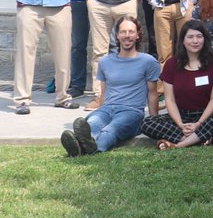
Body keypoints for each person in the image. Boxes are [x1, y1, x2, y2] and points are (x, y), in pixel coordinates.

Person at [59, 16, 159, 157]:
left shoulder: (148, 61)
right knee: (92, 124)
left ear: (138, 35)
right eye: (123, 32)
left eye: (131, 32)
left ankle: (87, 150)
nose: (127, 36)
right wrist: (101, 110)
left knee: (110, 130)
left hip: (132, 112)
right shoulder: (105, 61)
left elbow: (152, 93)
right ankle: (82, 146)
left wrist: (154, 121)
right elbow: (104, 91)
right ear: (117, 35)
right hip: (107, 109)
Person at [139, 20, 213, 149]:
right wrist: (181, 125)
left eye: (199, 36)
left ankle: (178, 144)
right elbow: (169, 100)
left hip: (205, 116)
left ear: (205, 39)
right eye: (190, 37)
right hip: (179, 116)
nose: (195, 41)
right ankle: (198, 139)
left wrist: (198, 123)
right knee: (147, 122)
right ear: (183, 40)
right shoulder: (171, 64)